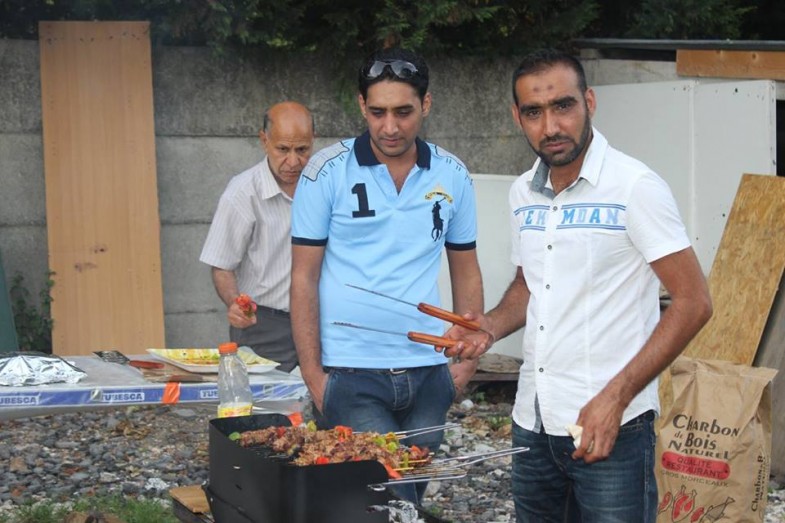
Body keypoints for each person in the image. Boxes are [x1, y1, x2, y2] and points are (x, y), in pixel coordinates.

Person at [443, 49, 713, 521]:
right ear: (517, 116)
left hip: (612, 423)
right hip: (533, 421)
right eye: (534, 111)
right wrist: (488, 327)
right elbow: (530, 284)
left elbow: (694, 302)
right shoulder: (522, 191)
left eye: (563, 106)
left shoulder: (634, 187)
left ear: (589, 101)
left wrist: (616, 397)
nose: (550, 126)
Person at [289, 48, 484, 502]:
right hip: (352, 373)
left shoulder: (453, 174)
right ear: (361, 106)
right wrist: (315, 377)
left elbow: (466, 269)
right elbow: (302, 278)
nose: (390, 127)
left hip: (429, 375)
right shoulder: (325, 172)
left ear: (426, 105)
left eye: (403, 112)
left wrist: (466, 362)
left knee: (407, 496)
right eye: (377, 112)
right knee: (381, 497)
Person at [200, 101, 314, 373]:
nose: (293, 161)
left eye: (302, 150)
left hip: (320, 320)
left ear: (313, 142)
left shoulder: (325, 185)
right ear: (264, 141)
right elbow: (222, 265)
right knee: (266, 411)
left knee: (329, 409)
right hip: (264, 324)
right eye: (283, 150)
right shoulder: (242, 193)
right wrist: (234, 303)